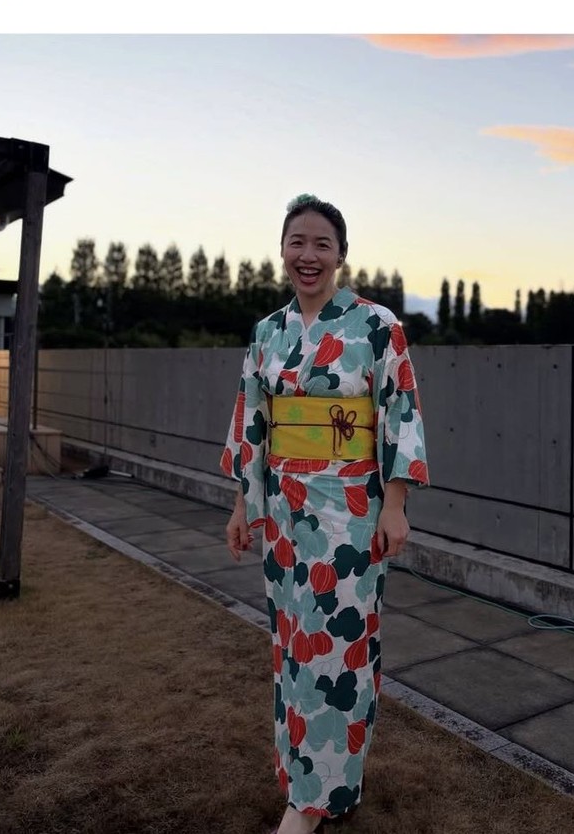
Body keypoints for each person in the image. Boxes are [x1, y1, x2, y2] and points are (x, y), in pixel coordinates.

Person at [221, 194, 429, 834]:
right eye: (297, 242)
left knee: (339, 647)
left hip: (351, 514)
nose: (308, 255)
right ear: (283, 250)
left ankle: (310, 804)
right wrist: (243, 503)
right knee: (292, 648)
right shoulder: (268, 332)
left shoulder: (376, 326)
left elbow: (400, 412)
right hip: (287, 515)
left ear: (340, 255)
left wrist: (395, 505)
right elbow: (253, 421)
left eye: (322, 244)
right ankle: (312, 782)